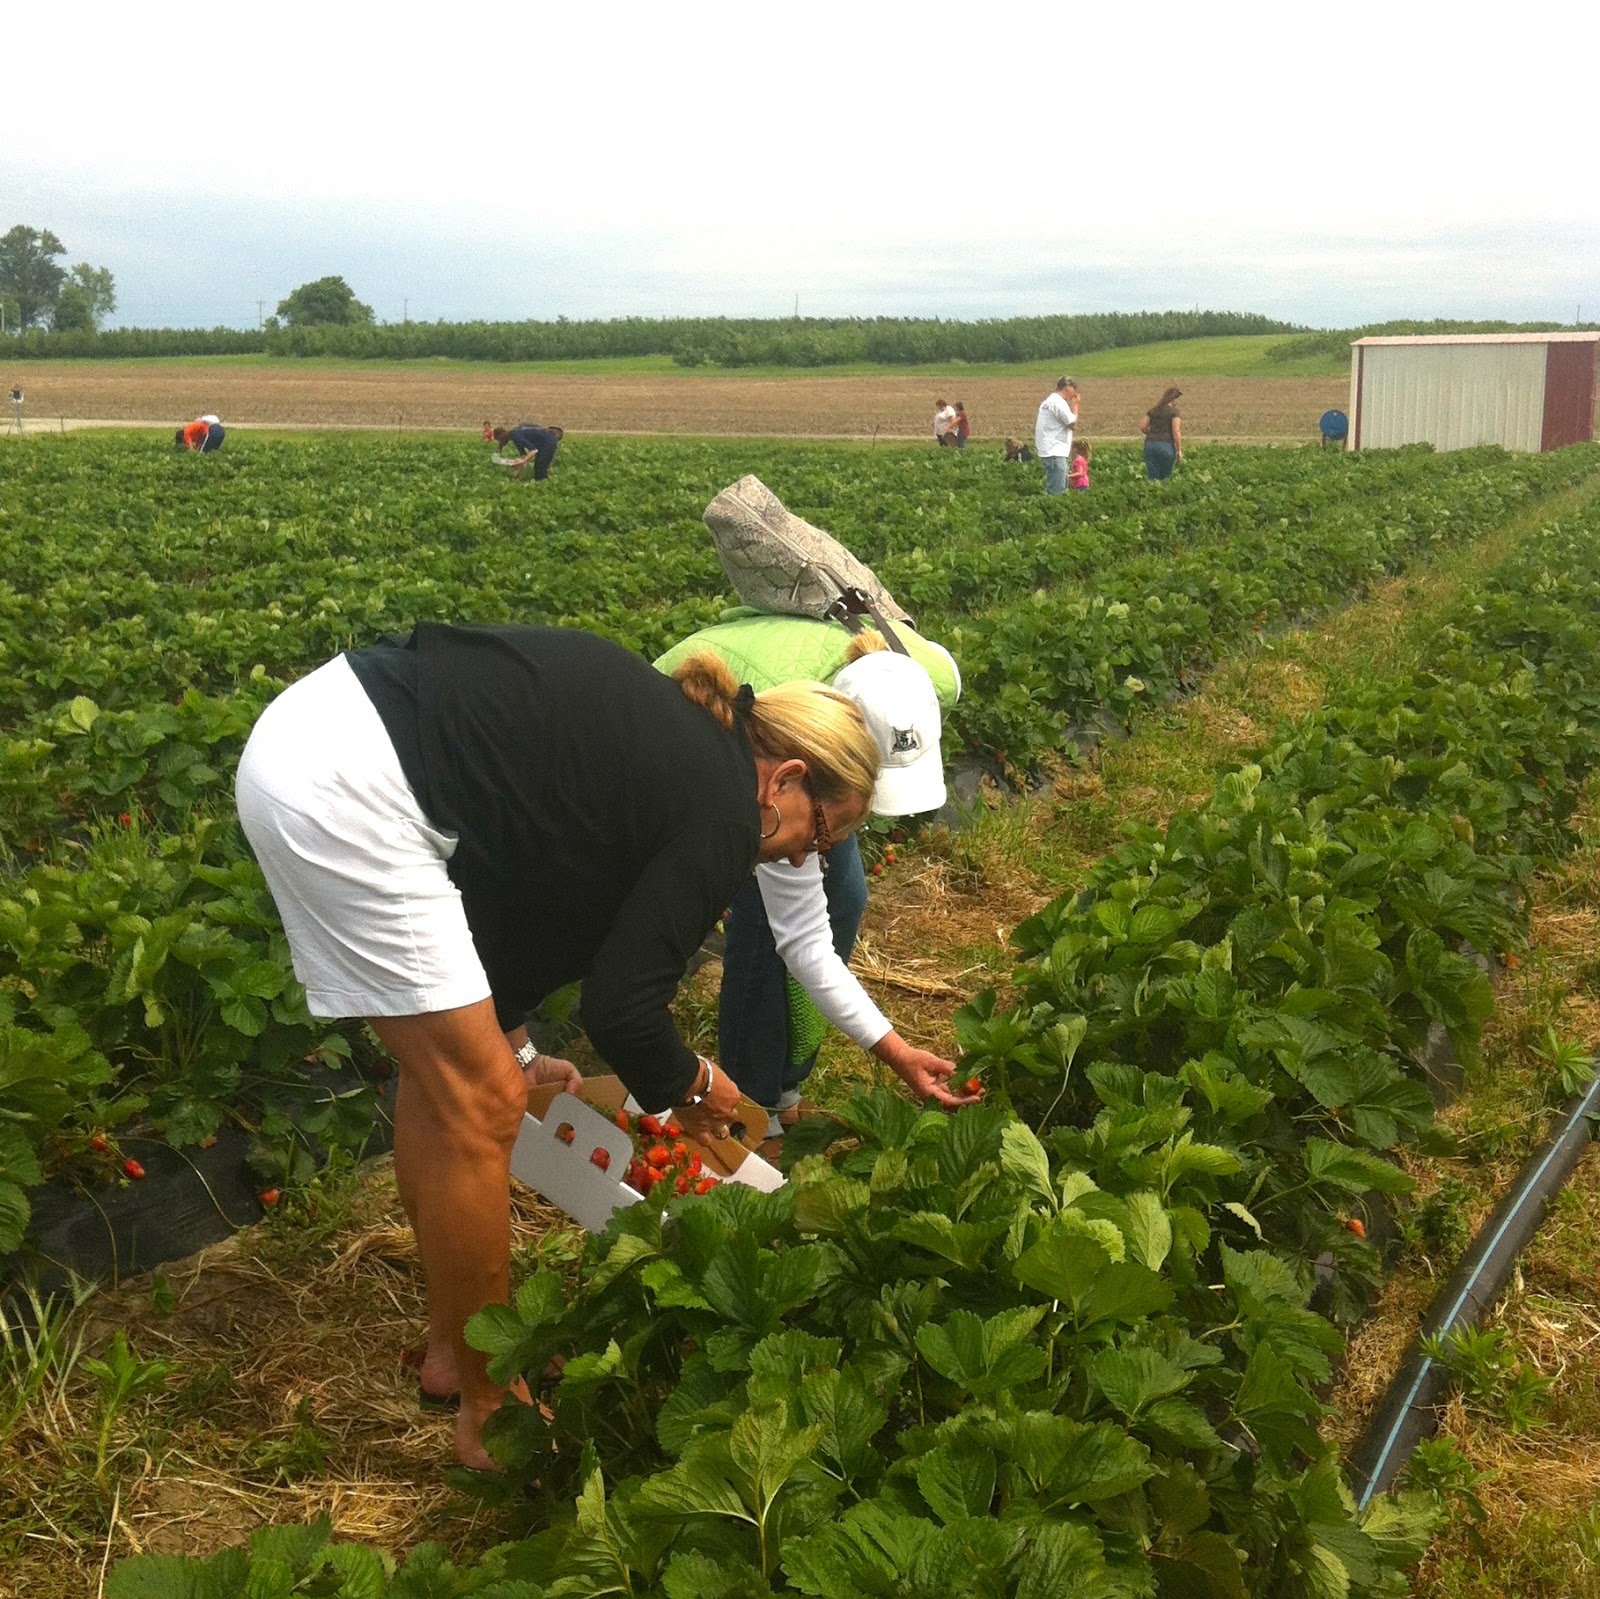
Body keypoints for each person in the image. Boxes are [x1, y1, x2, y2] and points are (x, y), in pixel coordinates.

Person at [234, 622, 879, 1471]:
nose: (807, 856)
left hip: (327, 737)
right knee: (481, 1104)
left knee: (451, 1082)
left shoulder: (679, 755)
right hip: (352, 783)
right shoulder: (722, 808)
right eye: (822, 832)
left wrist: (513, 1043)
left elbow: (527, 896)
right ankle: (491, 1409)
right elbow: (622, 1007)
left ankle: (452, 1348)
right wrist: (693, 1086)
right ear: (787, 777)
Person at [655, 613, 975, 1146]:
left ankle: (786, 1083)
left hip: (803, 767)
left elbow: (808, 938)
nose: (810, 855)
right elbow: (795, 932)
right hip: (710, 746)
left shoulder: (923, 676)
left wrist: (897, 1053)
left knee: (844, 897)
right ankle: (753, 1102)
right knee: (764, 930)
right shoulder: (769, 743)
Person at [1034, 377, 1080, 494]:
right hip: (1055, 449)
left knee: (1056, 484)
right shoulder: (1058, 402)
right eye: (1074, 389)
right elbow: (1072, 423)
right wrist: (1075, 406)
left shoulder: (1048, 401)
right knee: (1057, 489)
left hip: (1049, 448)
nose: (1074, 393)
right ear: (1067, 388)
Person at [491, 421, 564, 481]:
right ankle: (543, 482)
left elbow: (533, 451)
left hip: (549, 443)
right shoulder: (515, 435)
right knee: (539, 468)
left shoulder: (516, 436)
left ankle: (545, 485)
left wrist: (521, 462)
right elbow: (523, 456)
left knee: (540, 470)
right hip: (544, 443)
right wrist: (517, 475)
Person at [1140, 387, 1183, 480]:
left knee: (1152, 476)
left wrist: (1151, 434)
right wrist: (1179, 450)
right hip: (1166, 445)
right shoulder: (1174, 412)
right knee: (1165, 477)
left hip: (1150, 445)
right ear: (1173, 399)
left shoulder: (1154, 410)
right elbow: (1176, 431)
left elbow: (1143, 426)